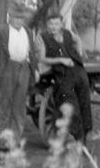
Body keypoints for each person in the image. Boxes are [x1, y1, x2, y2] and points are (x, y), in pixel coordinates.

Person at [0, 1, 37, 149]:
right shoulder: (0, 31)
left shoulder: (28, 31)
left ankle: (15, 140)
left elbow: (31, 53)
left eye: (21, 18)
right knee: (5, 106)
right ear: (9, 17)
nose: (19, 20)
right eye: (15, 17)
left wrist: (35, 69)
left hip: (24, 68)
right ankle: (1, 141)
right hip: (7, 69)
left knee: (19, 107)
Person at [36, 13, 92, 144]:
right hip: (62, 73)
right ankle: (79, 138)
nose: (53, 27)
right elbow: (42, 58)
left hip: (78, 70)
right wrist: (61, 60)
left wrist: (78, 54)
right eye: (51, 24)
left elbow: (77, 40)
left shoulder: (67, 33)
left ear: (61, 24)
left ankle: (86, 132)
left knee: (84, 100)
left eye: (56, 24)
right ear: (47, 25)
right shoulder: (42, 37)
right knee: (71, 103)